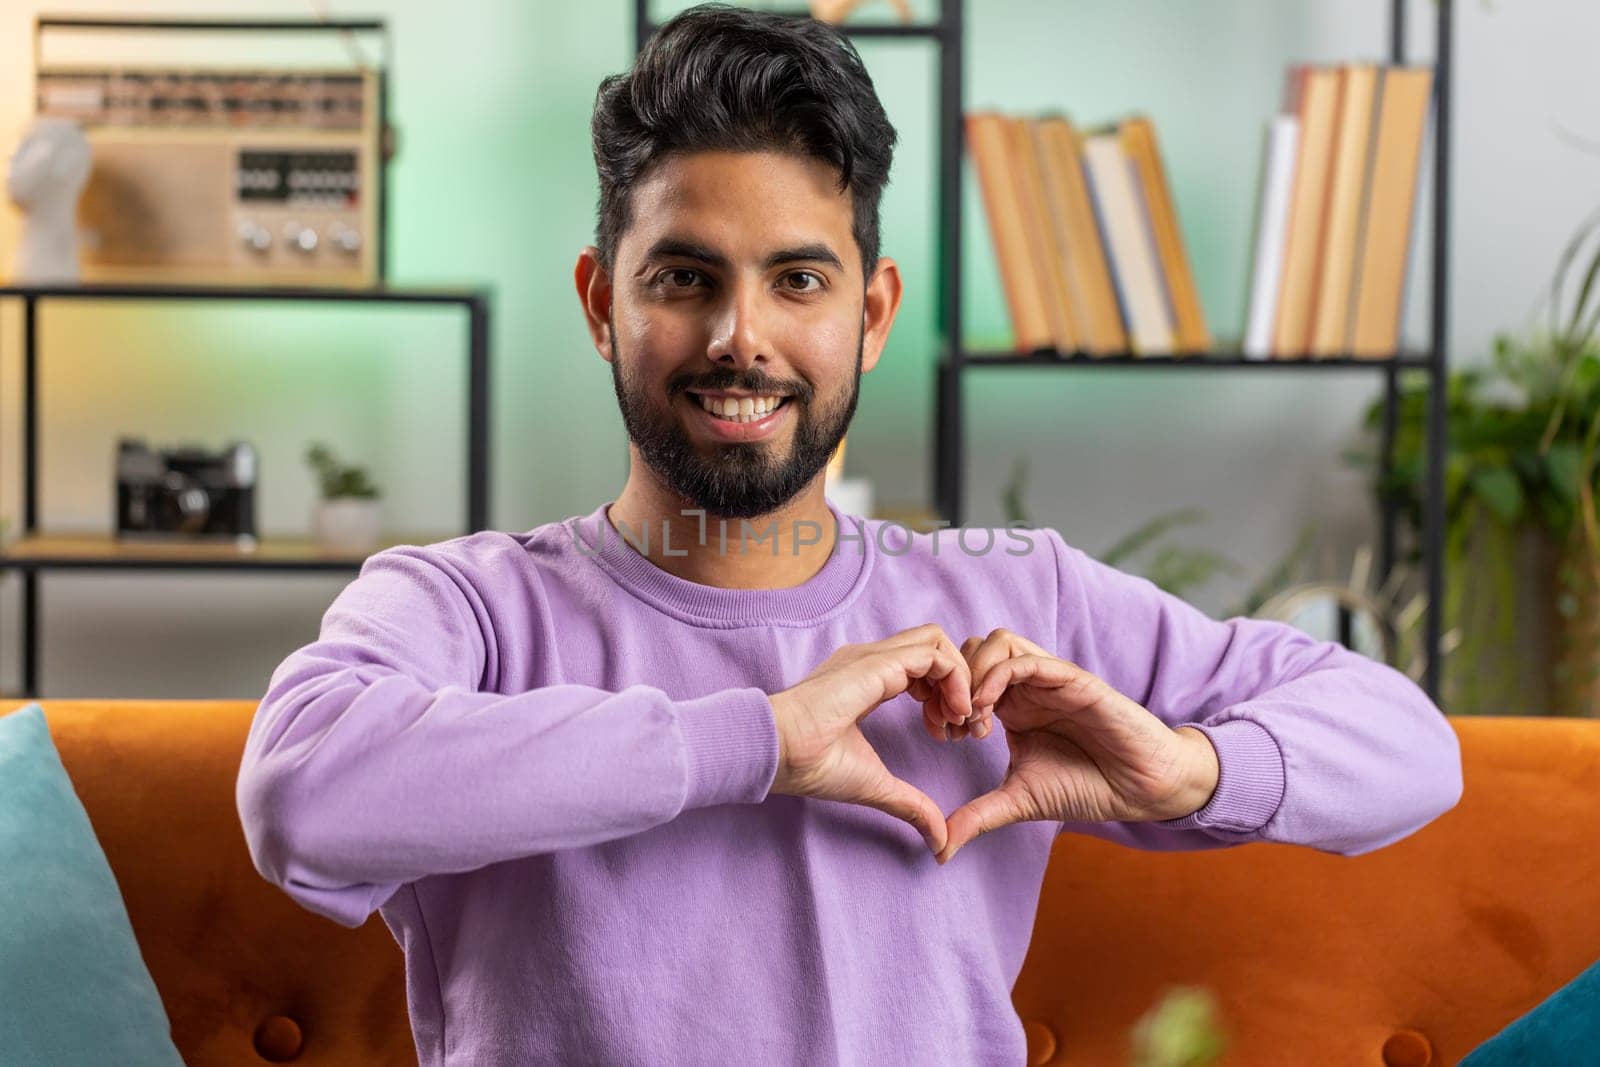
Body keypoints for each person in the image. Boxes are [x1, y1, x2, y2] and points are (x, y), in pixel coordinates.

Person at [235, 5, 1463, 1064]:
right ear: (602, 303)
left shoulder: (1011, 600)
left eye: (798, 281)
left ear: (871, 314)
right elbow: (300, 793)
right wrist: (761, 739)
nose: (740, 336)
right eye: (682, 278)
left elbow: (1410, 747)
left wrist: (1186, 771)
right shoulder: (474, 606)